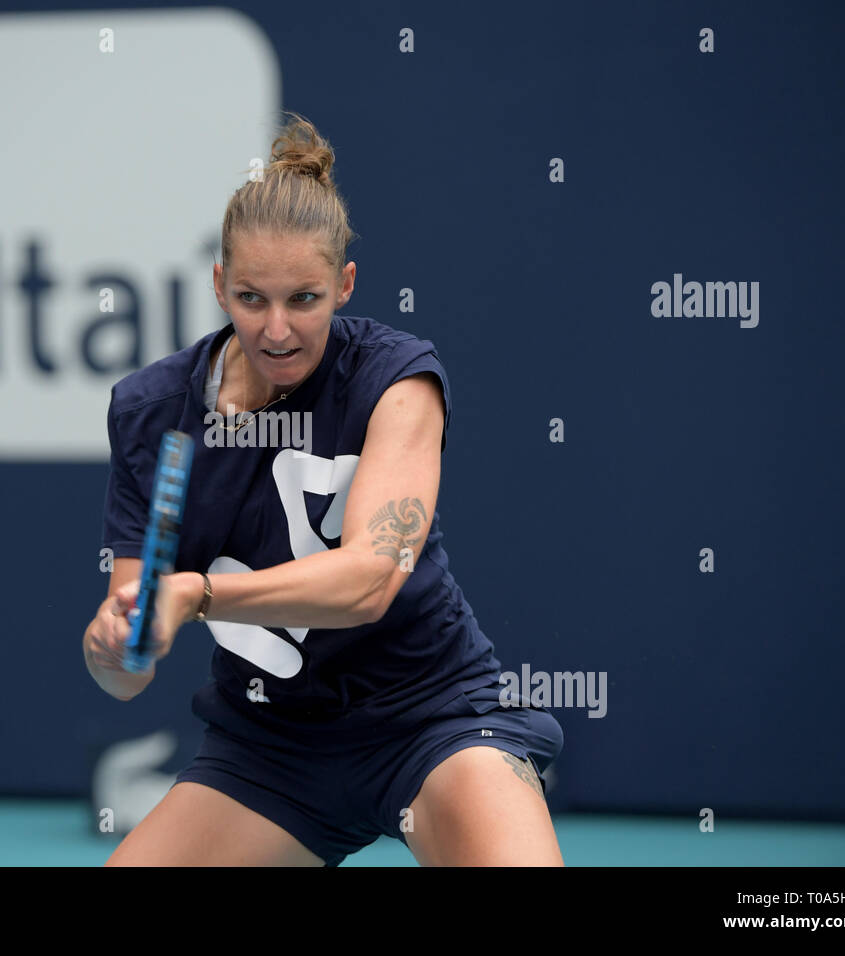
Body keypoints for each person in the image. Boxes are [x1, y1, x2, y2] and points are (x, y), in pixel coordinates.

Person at [83, 112, 564, 866]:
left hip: (433, 719)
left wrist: (198, 596)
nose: (276, 329)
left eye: (303, 299)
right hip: (268, 749)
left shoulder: (398, 379)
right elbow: (124, 671)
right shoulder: (150, 412)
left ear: (344, 284)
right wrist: (115, 647)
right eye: (250, 298)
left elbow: (370, 580)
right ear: (217, 285)